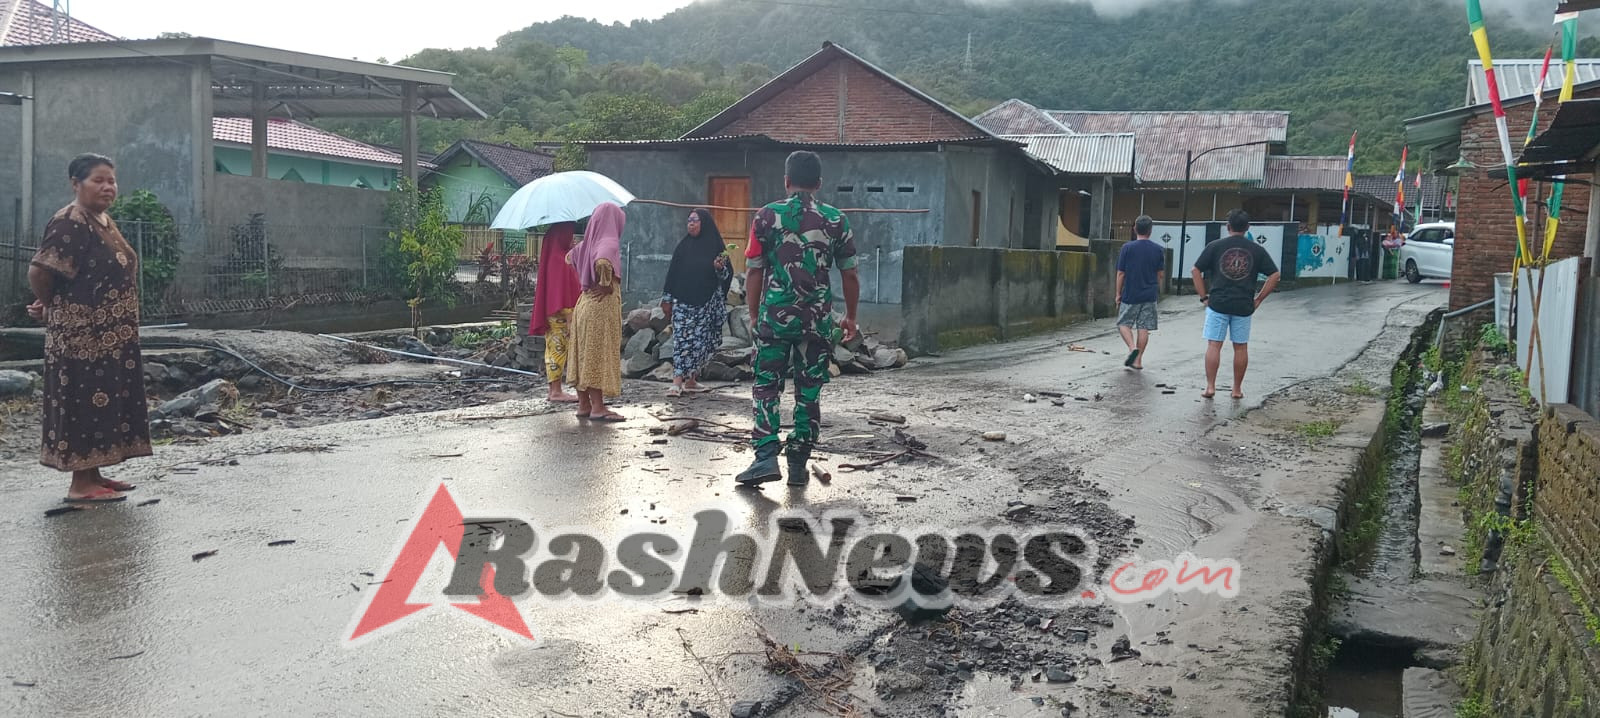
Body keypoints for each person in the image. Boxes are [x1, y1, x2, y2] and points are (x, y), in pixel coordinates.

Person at [26, 154, 151, 503]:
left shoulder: (101, 220)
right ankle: (81, 485)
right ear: (75, 183)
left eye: (111, 180)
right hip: (82, 338)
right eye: (98, 180)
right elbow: (40, 271)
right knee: (84, 402)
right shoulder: (69, 222)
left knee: (104, 403)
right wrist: (50, 303)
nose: (108, 187)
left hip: (110, 339)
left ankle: (94, 472)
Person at [735, 151, 861, 487]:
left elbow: (754, 271)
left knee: (766, 386)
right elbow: (850, 275)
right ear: (819, 183)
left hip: (774, 319)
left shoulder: (766, 217)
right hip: (817, 322)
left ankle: (765, 457)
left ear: (786, 181)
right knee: (809, 393)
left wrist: (753, 314)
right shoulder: (836, 221)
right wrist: (850, 317)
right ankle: (797, 463)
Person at [1191, 209, 1280, 400]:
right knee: (1240, 347)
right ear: (1247, 228)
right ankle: (1237, 389)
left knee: (1214, 345)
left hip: (1217, 304)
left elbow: (1195, 270)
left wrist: (1203, 297)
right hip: (1244, 305)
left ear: (1227, 226)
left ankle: (1210, 387)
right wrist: (1258, 299)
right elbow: (1275, 274)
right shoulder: (1257, 250)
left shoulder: (1215, 246)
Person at [661, 208, 733, 397]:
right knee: (683, 342)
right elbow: (672, 274)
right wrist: (667, 299)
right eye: (689, 220)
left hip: (706, 304)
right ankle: (677, 382)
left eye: (695, 220)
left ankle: (692, 381)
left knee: (700, 343)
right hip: (683, 302)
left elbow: (726, 275)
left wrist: (719, 268)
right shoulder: (683, 247)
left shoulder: (715, 247)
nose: (691, 224)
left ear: (705, 223)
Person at [565, 203, 627, 423]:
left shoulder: (588, 242)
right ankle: (599, 408)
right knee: (596, 356)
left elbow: (570, 257)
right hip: (600, 309)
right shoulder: (608, 243)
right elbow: (602, 260)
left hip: (584, 305)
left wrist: (586, 279)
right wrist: (605, 283)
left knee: (583, 355)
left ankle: (584, 405)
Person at [530, 221, 582, 403]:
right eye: (570, 234)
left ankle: (554, 389)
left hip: (553, 312)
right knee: (558, 350)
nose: (572, 238)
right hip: (562, 315)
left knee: (553, 349)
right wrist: (569, 316)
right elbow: (563, 291)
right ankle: (556, 391)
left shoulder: (556, 256)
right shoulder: (560, 260)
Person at [1115, 215, 1165, 370]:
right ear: (1150, 230)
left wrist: (1118, 293)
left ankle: (1132, 348)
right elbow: (1160, 274)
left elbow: (1121, 273)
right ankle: (1138, 361)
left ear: (1135, 229)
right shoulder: (1158, 249)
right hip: (1149, 294)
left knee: (1123, 323)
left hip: (1131, 293)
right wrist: (1156, 290)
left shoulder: (1127, 248)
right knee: (1143, 327)